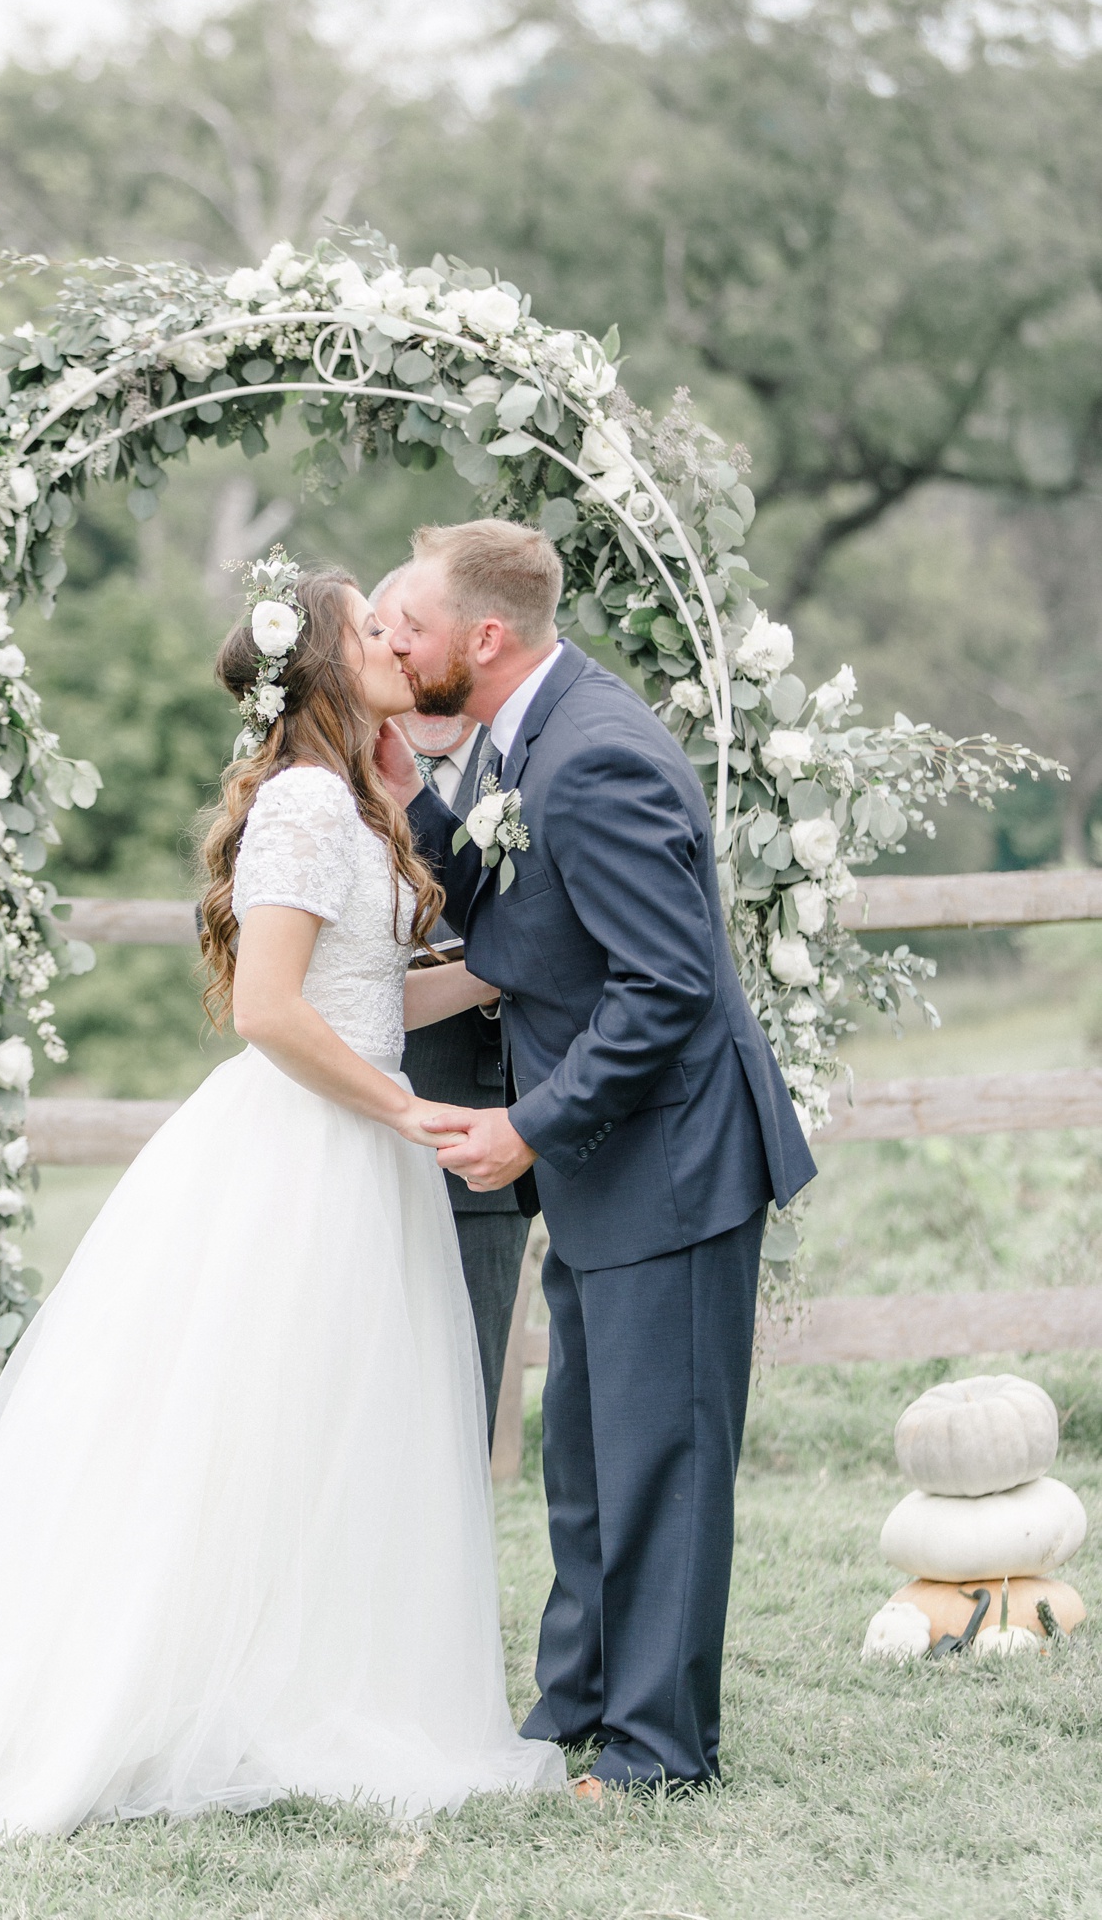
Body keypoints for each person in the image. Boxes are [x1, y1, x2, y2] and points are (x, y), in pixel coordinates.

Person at [0, 562, 566, 1835]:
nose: (399, 641)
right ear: (331, 666)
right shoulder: (298, 804)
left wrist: (514, 971)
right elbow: (271, 1011)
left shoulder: (351, 801)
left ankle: (303, 1678)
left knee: (334, 1432)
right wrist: (402, 1110)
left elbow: (365, 995)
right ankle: (165, 1695)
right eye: (373, 628)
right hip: (302, 1154)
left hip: (361, 1149)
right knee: (245, 1427)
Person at [376, 519, 818, 1793]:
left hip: (673, 1164)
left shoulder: (599, 756)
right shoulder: (523, 738)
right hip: (609, 1163)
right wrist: (408, 786)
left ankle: (658, 1749)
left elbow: (664, 990)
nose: (398, 649)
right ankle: (573, 1702)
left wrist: (527, 1125)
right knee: (585, 1451)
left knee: (662, 1461)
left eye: (412, 629)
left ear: (486, 637)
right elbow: (520, 913)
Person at [371, 567, 528, 1447]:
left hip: (483, 1138)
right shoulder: (322, 777)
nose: (407, 656)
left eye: (418, 635)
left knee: (452, 1428)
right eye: (389, 635)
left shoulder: (534, 757)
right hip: (350, 1128)